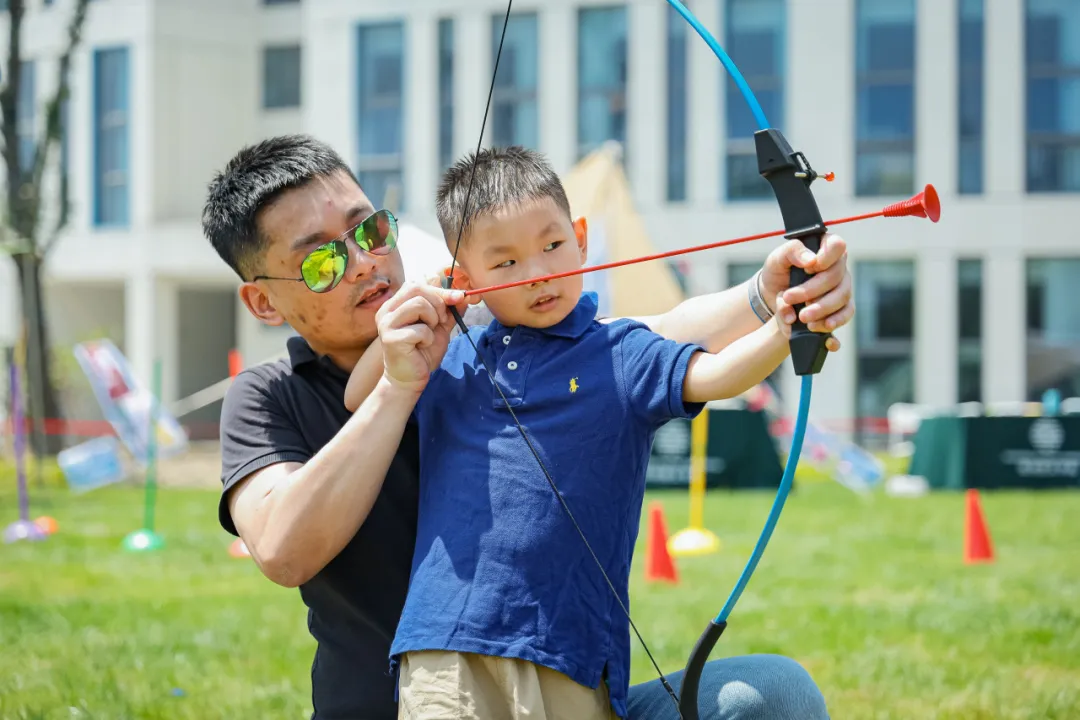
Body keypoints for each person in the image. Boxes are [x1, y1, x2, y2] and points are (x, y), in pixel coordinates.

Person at [203, 134, 851, 720]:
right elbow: (285, 548)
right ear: (263, 300)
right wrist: (399, 385)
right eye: (322, 263)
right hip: (427, 698)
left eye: (369, 231)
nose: (366, 262)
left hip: (564, 682)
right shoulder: (268, 396)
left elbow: (640, 341)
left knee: (767, 695)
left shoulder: (501, 334)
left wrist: (772, 297)